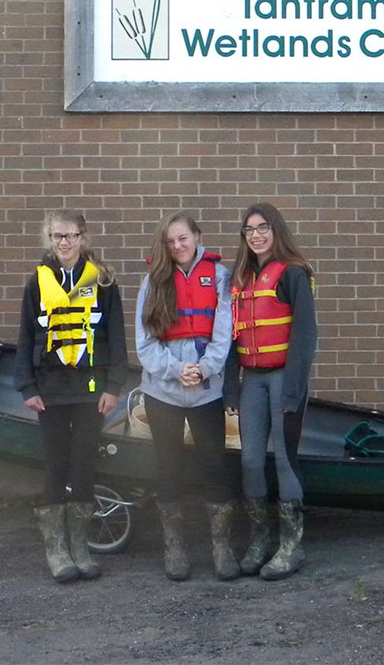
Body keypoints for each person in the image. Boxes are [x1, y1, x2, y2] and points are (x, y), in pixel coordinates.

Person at [14, 209, 126, 583]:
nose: (65, 243)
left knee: (83, 467)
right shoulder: (37, 283)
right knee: (55, 466)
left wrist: (113, 387)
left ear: (84, 237)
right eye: (58, 236)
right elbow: (26, 336)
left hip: (91, 391)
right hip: (50, 390)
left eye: (72, 235)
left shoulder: (104, 281)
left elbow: (116, 338)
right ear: (49, 239)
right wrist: (28, 387)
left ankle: (80, 546)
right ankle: (57, 551)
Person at [135, 211, 239, 581]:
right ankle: (175, 547)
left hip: (205, 391)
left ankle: (221, 547)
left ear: (196, 236)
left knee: (214, 466)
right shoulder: (152, 282)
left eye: (183, 237)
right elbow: (144, 344)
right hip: (162, 391)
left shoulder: (221, 278)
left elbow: (224, 334)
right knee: (169, 468)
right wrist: (176, 370)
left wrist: (204, 368)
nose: (177, 246)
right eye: (170, 241)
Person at [224, 202, 317, 581]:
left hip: (282, 379)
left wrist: (293, 393)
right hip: (251, 380)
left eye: (263, 228)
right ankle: (260, 540)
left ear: (276, 230)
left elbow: (305, 336)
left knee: (283, 459)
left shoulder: (294, 273)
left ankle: (291, 547)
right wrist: (231, 390)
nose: (257, 235)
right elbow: (230, 338)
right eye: (249, 230)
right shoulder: (240, 278)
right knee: (250, 461)